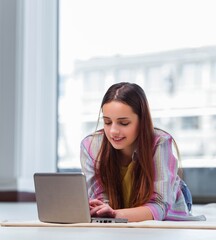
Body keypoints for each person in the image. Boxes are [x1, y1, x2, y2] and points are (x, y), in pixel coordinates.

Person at [80, 82, 205, 222]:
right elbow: (100, 201)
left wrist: (116, 215)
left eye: (124, 123)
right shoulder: (90, 146)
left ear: (142, 121)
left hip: (170, 198)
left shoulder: (160, 142)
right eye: (107, 122)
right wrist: (103, 210)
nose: (113, 131)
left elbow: (160, 205)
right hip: (126, 205)